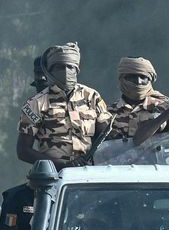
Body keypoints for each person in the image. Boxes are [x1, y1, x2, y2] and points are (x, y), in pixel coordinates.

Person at [16, 42, 112, 170]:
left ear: (77, 69)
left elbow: (105, 136)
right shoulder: (36, 103)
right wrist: (62, 165)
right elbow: (23, 150)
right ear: (50, 71)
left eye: (70, 67)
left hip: (91, 173)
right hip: (54, 176)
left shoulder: (92, 96)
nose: (66, 72)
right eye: (60, 67)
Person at [106, 57, 169, 144]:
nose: (138, 82)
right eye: (132, 77)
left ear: (150, 80)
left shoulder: (166, 107)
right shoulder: (109, 113)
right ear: (122, 79)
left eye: (143, 77)